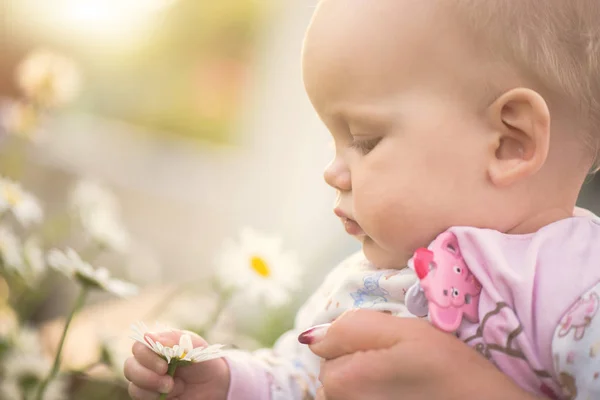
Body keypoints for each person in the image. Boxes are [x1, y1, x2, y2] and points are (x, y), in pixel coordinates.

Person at [124, 0, 600, 399]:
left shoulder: (579, 290)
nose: (332, 171)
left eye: (366, 140)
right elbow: (301, 381)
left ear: (509, 142)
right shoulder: (366, 284)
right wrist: (227, 381)